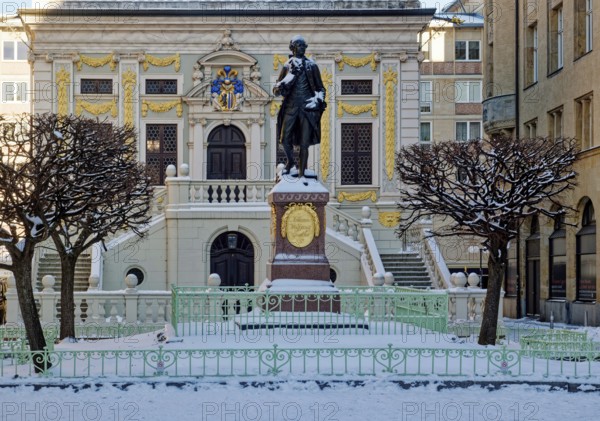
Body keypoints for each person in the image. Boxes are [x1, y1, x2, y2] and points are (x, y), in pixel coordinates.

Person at [273, 36, 326, 178]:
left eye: (304, 46)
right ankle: (291, 162)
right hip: (290, 107)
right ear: (293, 48)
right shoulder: (287, 66)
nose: (302, 48)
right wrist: (290, 77)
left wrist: (318, 100)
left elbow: (321, 89)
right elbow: (277, 90)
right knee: (284, 139)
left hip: (307, 107)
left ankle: (302, 174)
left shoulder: (312, 66)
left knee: (304, 142)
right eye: (299, 45)